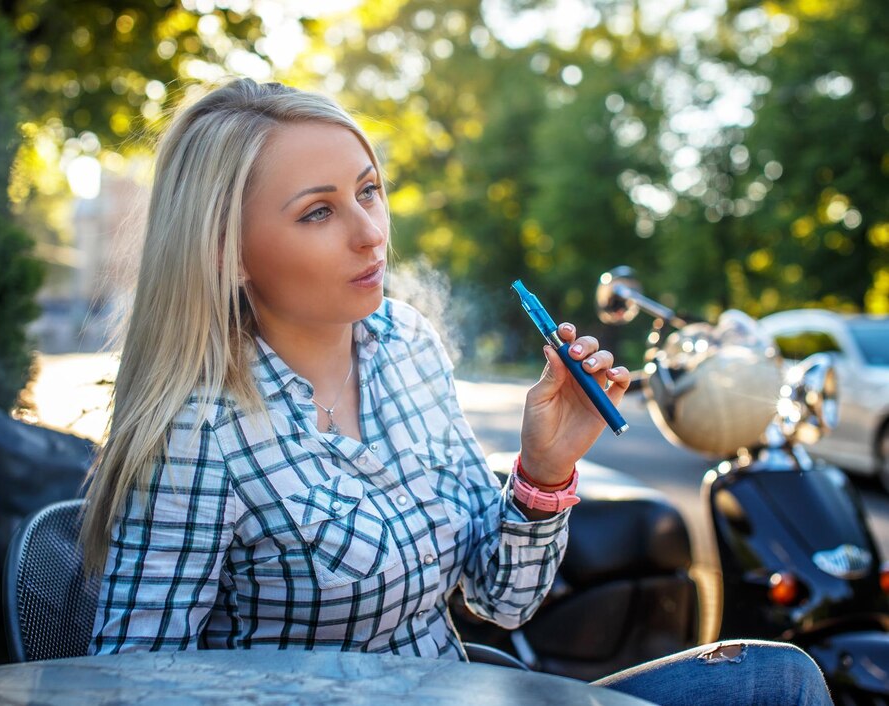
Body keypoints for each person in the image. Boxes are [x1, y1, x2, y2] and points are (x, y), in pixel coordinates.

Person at [80, 78, 831, 705]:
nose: (370, 233)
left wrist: (543, 472)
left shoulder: (408, 345)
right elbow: (128, 683)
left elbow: (500, 599)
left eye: (368, 191)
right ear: (229, 252)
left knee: (780, 679)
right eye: (319, 211)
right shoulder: (199, 431)